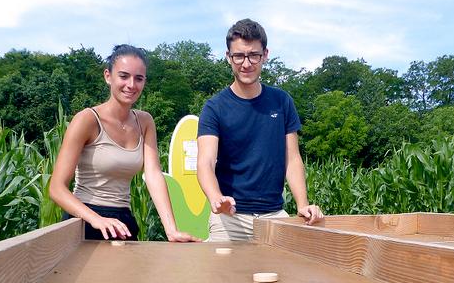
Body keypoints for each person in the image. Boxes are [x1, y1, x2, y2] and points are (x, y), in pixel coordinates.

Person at [50, 44, 199, 242]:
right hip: (85, 221)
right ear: (108, 76)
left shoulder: (145, 122)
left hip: (123, 221)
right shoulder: (87, 119)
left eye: (139, 78)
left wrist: (171, 230)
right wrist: (96, 220)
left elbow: (153, 174)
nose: (131, 84)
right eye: (124, 76)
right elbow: (56, 188)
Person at [196, 18, 323, 242]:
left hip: (275, 215)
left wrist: (302, 204)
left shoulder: (281, 101)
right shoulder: (214, 107)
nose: (246, 64)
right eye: (238, 56)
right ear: (228, 57)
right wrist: (217, 199)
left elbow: (292, 159)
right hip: (229, 219)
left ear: (265, 54)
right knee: (219, 275)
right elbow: (205, 162)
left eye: (253, 55)